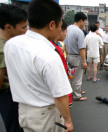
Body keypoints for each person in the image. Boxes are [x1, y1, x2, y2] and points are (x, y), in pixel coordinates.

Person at [4, 0, 74, 132]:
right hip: (45, 115)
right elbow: (60, 95)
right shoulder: (49, 55)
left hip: (24, 110)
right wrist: (68, 121)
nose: (60, 30)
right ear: (52, 25)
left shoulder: (11, 44)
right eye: (60, 25)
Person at [0, 5, 28, 132]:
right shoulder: (2, 49)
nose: (26, 31)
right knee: (15, 127)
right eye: (23, 27)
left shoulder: (10, 43)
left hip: (15, 93)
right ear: (8, 27)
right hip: (8, 95)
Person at [64, 12, 88, 101]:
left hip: (69, 55)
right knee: (77, 78)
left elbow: (65, 44)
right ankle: (77, 95)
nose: (85, 24)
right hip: (77, 57)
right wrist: (84, 61)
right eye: (85, 22)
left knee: (70, 76)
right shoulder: (79, 32)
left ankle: (74, 91)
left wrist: (66, 54)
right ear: (81, 20)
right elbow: (81, 49)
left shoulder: (68, 28)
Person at [51, 19, 72, 107]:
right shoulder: (52, 48)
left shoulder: (57, 45)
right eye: (66, 32)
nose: (66, 34)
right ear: (60, 31)